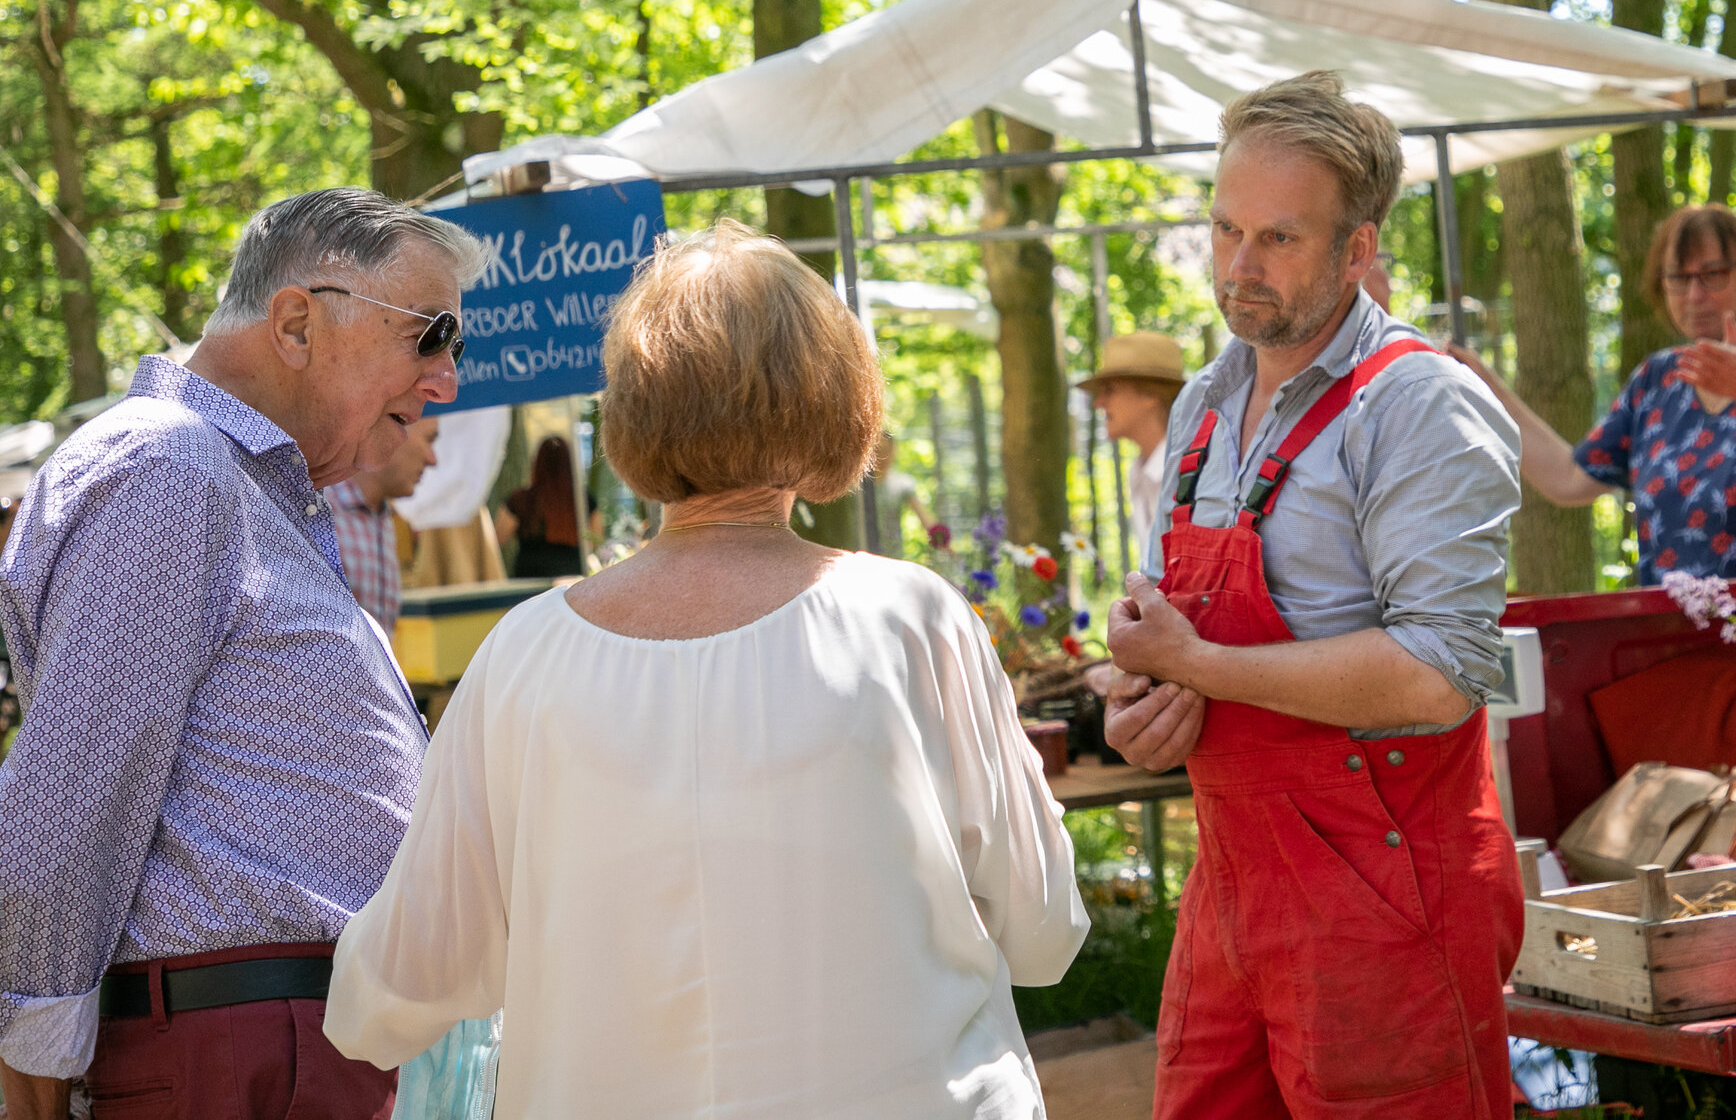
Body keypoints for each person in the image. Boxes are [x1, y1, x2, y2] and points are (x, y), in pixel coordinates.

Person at [324, 219, 1088, 1119]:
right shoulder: (911, 620)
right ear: (840, 399)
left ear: (632, 408)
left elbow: (402, 983)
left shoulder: (522, 659)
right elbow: (1043, 929)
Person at [0, 187, 481, 1120]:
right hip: (240, 1051)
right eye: (430, 335)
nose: (445, 380)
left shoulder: (219, 481)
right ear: (297, 322)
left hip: (276, 1045)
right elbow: (69, 806)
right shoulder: (169, 467)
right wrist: (33, 1084)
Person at [1104, 71, 1526, 1120]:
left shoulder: (1419, 404)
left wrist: (1199, 665)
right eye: (1224, 229)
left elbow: (1437, 675)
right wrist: (1147, 705)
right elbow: (1177, 642)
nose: (1239, 268)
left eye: (1279, 239)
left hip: (1387, 900)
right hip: (1230, 889)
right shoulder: (1203, 403)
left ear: (1358, 248)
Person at [1451, 202, 1736, 584]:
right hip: (1670, 637)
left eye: (1712, 275)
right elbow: (1568, 479)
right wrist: (1484, 389)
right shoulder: (1656, 381)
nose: (1694, 295)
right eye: (1678, 278)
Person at [1075, 330, 1188, 573]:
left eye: (1110, 390)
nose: (1098, 403)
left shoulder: (1191, 472)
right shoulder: (1139, 472)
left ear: (1150, 393)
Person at [324, 415, 441, 631]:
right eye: (429, 440)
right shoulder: (319, 512)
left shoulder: (382, 517)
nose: (432, 459)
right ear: (392, 431)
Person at [496, 435, 581, 577]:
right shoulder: (582, 500)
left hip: (529, 579)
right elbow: (594, 540)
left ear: (538, 463)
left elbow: (497, 539)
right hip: (570, 577)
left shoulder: (520, 500)